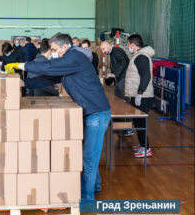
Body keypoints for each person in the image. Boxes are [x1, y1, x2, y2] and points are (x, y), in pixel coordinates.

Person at [16, 33, 111, 201]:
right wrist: (26, 83)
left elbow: (48, 67)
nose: (52, 53)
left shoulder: (74, 57)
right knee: (90, 153)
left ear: (65, 47)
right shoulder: (70, 61)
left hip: (97, 113)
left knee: (89, 156)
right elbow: (48, 78)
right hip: (90, 112)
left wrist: (24, 66)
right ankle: (95, 186)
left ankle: (86, 198)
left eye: (54, 50)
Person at [124, 34, 155, 158]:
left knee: (140, 122)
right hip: (138, 95)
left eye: (128, 44)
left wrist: (140, 93)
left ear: (132, 44)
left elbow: (146, 76)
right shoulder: (138, 56)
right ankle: (143, 145)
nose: (128, 47)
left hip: (143, 96)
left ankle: (146, 148)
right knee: (137, 121)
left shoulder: (141, 57)